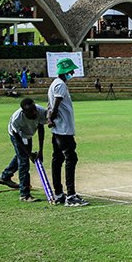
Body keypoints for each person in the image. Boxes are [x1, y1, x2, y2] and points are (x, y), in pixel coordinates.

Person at [47, 58, 89, 207]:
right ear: (65, 71)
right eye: (71, 70)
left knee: (57, 159)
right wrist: (52, 118)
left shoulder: (54, 84)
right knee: (70, 158)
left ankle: (59, 194)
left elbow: (49, 106)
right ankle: (70, 195)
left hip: (58, 129)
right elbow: (55, 106)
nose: (73, 72)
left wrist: (49, 119)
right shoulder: (60, 85)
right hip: (63, 130)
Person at [0, 98, 48, 202]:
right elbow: (16, 135)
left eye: (34, 109)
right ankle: (25, 195)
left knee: (21, 156)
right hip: (17, 136)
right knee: (24, 161)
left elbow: (41, 129)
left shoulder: (40, 111)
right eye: (31, 111)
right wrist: (29, 153)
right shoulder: (17, 118)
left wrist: (41, 150)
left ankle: (5, 177)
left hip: (28, 134)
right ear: (24, 112)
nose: (34, 112)